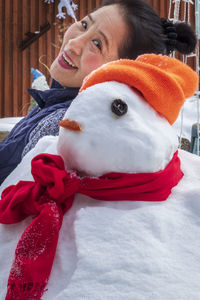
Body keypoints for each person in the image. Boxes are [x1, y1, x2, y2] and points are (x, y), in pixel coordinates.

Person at [0, 0, 197, 185]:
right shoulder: (60, 100)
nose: (73, 43)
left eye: (97, 44)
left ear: (122, 71)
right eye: (85, 25)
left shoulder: (68, 125)